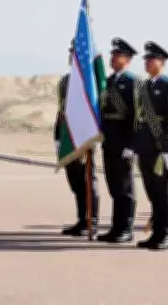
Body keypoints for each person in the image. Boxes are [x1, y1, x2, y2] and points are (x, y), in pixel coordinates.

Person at [131, 41, 168, 250]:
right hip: (145, 145)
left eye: (151, 59)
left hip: (160, 146)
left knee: (164, 192)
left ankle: (166, 234)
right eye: (146, 59)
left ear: (162, 62)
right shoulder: (144, 86)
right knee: (152, 190)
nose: (147, 62)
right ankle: (156, 233)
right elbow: (139, 118)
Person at [53, 38, 99, 237]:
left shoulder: (90, 81)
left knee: (87, 179)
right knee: (75, 181)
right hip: (68, 136)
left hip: (84, 136)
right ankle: (82, 219)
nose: (73, 56)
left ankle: (92, 221)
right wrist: (58, 135)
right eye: (72, 52)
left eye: (77, 53)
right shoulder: (65, 81)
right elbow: (61, 110)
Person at [97, 37, 140, 244]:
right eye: (112, 54)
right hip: (110, 140)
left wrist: (132, 144)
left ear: (127, 59)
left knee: (125, 187)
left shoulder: (133, 82)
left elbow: (137, 116)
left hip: (124, 142)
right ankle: (116, 228)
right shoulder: (108, 81)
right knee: (114, 186)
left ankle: (126, 228)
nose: (112, 58)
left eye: (117, 55)